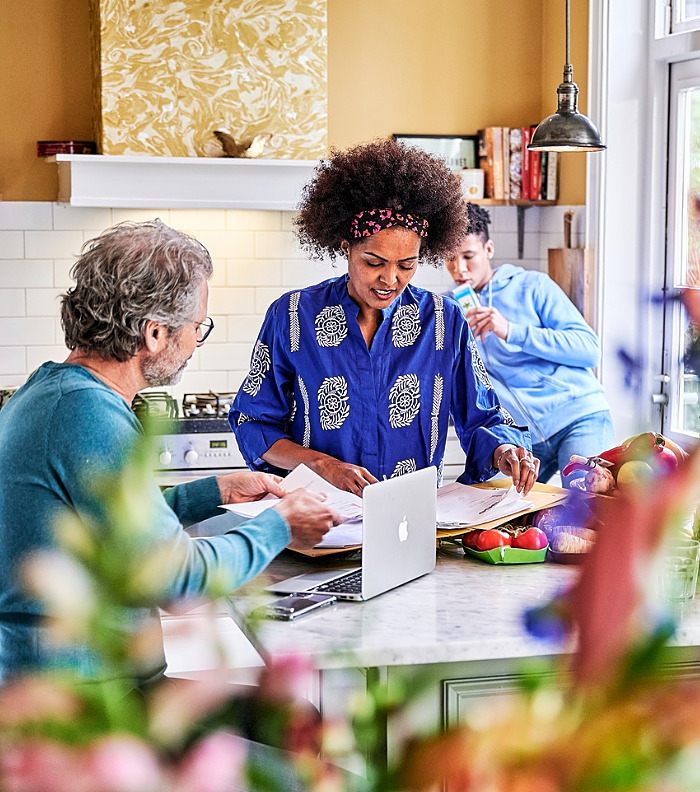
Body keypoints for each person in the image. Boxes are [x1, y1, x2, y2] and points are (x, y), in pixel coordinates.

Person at [0, 219, 341, 685]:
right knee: (297, 723)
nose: (195, 343)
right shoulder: (87, 414)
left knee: (291, 714)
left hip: (81, 677)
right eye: (197, 327)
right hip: (80, 701)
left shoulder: (51, 390)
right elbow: (177, 579)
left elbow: (113, 523)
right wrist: (279, 525)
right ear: (155, 333)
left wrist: (211, 491)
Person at [230, 138, 537, 496]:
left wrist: (506, 452)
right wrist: (323, 464)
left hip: (413, 520)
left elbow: (483, 418)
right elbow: (254, 423)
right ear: (345, 247)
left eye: (407, 265)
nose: (390, 280)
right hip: (316, 519)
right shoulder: (292, 316)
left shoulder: (445, 322)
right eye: (373, 262)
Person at [445, 203, 614, 487]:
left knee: (587, 507)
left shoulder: (532, 285)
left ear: (488, 250)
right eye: (450, 258)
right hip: (523, 439)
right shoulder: (448, 310)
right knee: (496, 512)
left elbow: (588, 349)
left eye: (468, 256)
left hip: (577, 416)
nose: (458, 268)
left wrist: (511, 331)